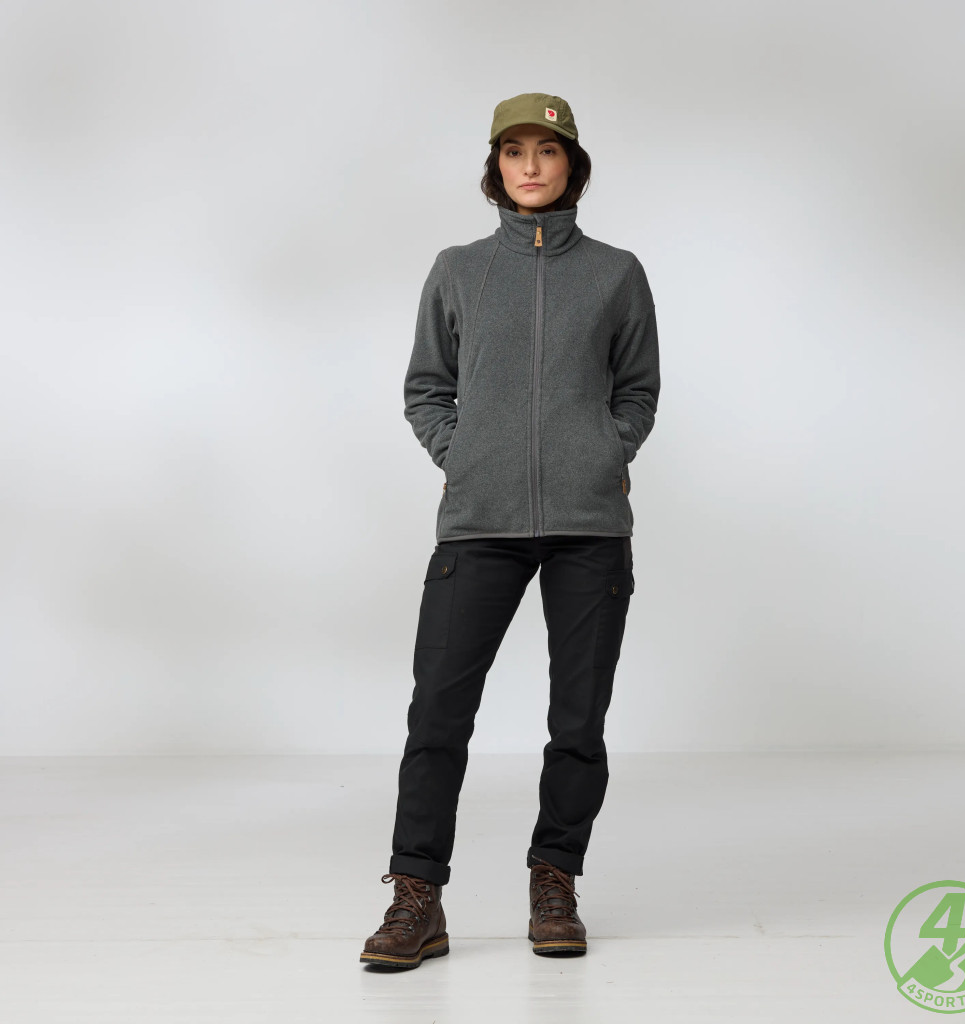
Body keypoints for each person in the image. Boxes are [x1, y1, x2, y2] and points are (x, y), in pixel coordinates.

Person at [360, 92, 660, 969]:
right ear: (495, 167)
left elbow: (638, 389)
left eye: (548, 150)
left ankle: (554, 881)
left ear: (573, 166)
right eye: (515, 150)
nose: (531, 165)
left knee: (579, 719)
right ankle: (416, 898)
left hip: (589, 526)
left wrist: (605, 450)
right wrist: (462, 457)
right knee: (437, 716)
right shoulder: (458, 270)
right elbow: (427, 387)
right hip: (478, 524)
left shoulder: (616, 273)